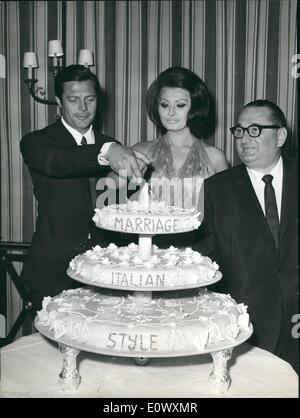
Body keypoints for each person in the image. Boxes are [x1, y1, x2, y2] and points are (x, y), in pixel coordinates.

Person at [20, 64, 149, 313]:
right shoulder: (38, 141)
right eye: (74, 99)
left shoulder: (112, 145)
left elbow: (117, 207)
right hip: (53, 271)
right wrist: (106, 152)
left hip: (105, 272)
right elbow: (56, 162)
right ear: (59, 101)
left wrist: (126, 184)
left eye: (90, 99)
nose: (83, 108)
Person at [194, 99, 298, 372]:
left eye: (255, 130)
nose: (244, 139)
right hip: (246, 331)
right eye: (239, 131)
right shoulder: (217, 189)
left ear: (281, 136)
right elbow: (208, 262)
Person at [104, 66, 228, 246]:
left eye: (180, 105)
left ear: (195, 106)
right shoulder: (142, 151)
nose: (171, 113)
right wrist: (125, 173)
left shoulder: (215, 157)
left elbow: (225, 216)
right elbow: (108, 189)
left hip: (200, 254)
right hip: (150, 252)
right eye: (164, 105)